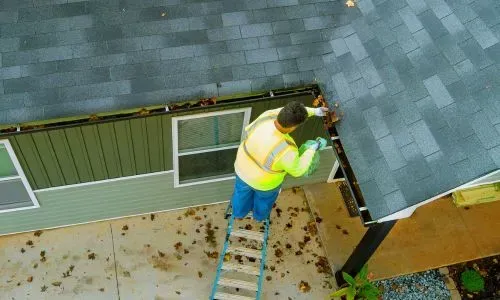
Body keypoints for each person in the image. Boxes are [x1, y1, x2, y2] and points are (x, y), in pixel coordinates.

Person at [231, 101, 328, 222]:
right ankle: (259, 217)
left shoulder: (266, 117)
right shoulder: (286, 149)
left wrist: (314, 111)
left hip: (242, 170)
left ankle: (238, 213)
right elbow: (298, 170)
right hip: (264, 184)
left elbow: (288, 112)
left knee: (241, 194)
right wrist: (312, 149)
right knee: (263, 201)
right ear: (293, 127)